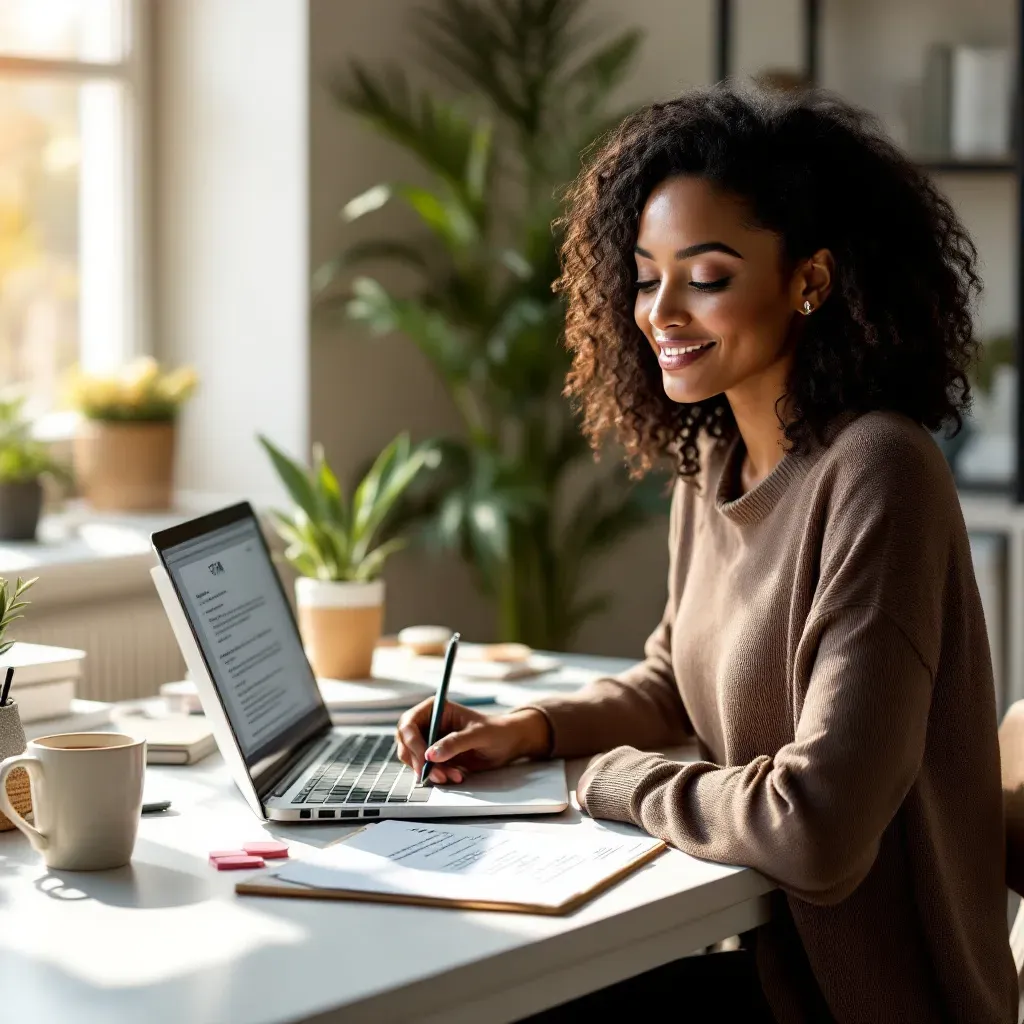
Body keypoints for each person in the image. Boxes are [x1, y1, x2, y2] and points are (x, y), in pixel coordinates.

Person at [395, 84, 1018, 1023]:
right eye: (647, 277)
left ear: (810, 280)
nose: (661, 313)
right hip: (776, 962)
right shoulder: (715, 463)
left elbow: (819, 829)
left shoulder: (881, 470)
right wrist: (530, 731)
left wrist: (601, 781)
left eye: (708, 276)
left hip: (871, 997)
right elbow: (673, 682)